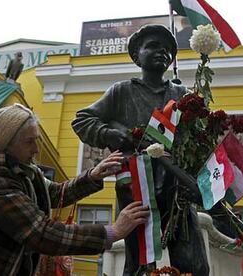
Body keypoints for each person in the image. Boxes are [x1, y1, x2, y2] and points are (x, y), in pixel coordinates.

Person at [0, 103, 150, 276]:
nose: (36, 149)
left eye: (37, 140)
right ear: (6, 144)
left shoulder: (21, 167)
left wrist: (92, 176)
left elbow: (53, 194)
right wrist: (113, 232)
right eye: (29, 142)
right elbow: (41, 233)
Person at [72, 24, 209, 275]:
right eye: (153, 46)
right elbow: (82, 120)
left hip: (177, 188)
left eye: (167, 49)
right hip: (136, 187)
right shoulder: (121, 91)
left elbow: (200, 138)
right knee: (138, 265)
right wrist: (110, 134)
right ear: (137, 57)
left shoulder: (181, 94)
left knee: (194, 264)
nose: (162, 52)